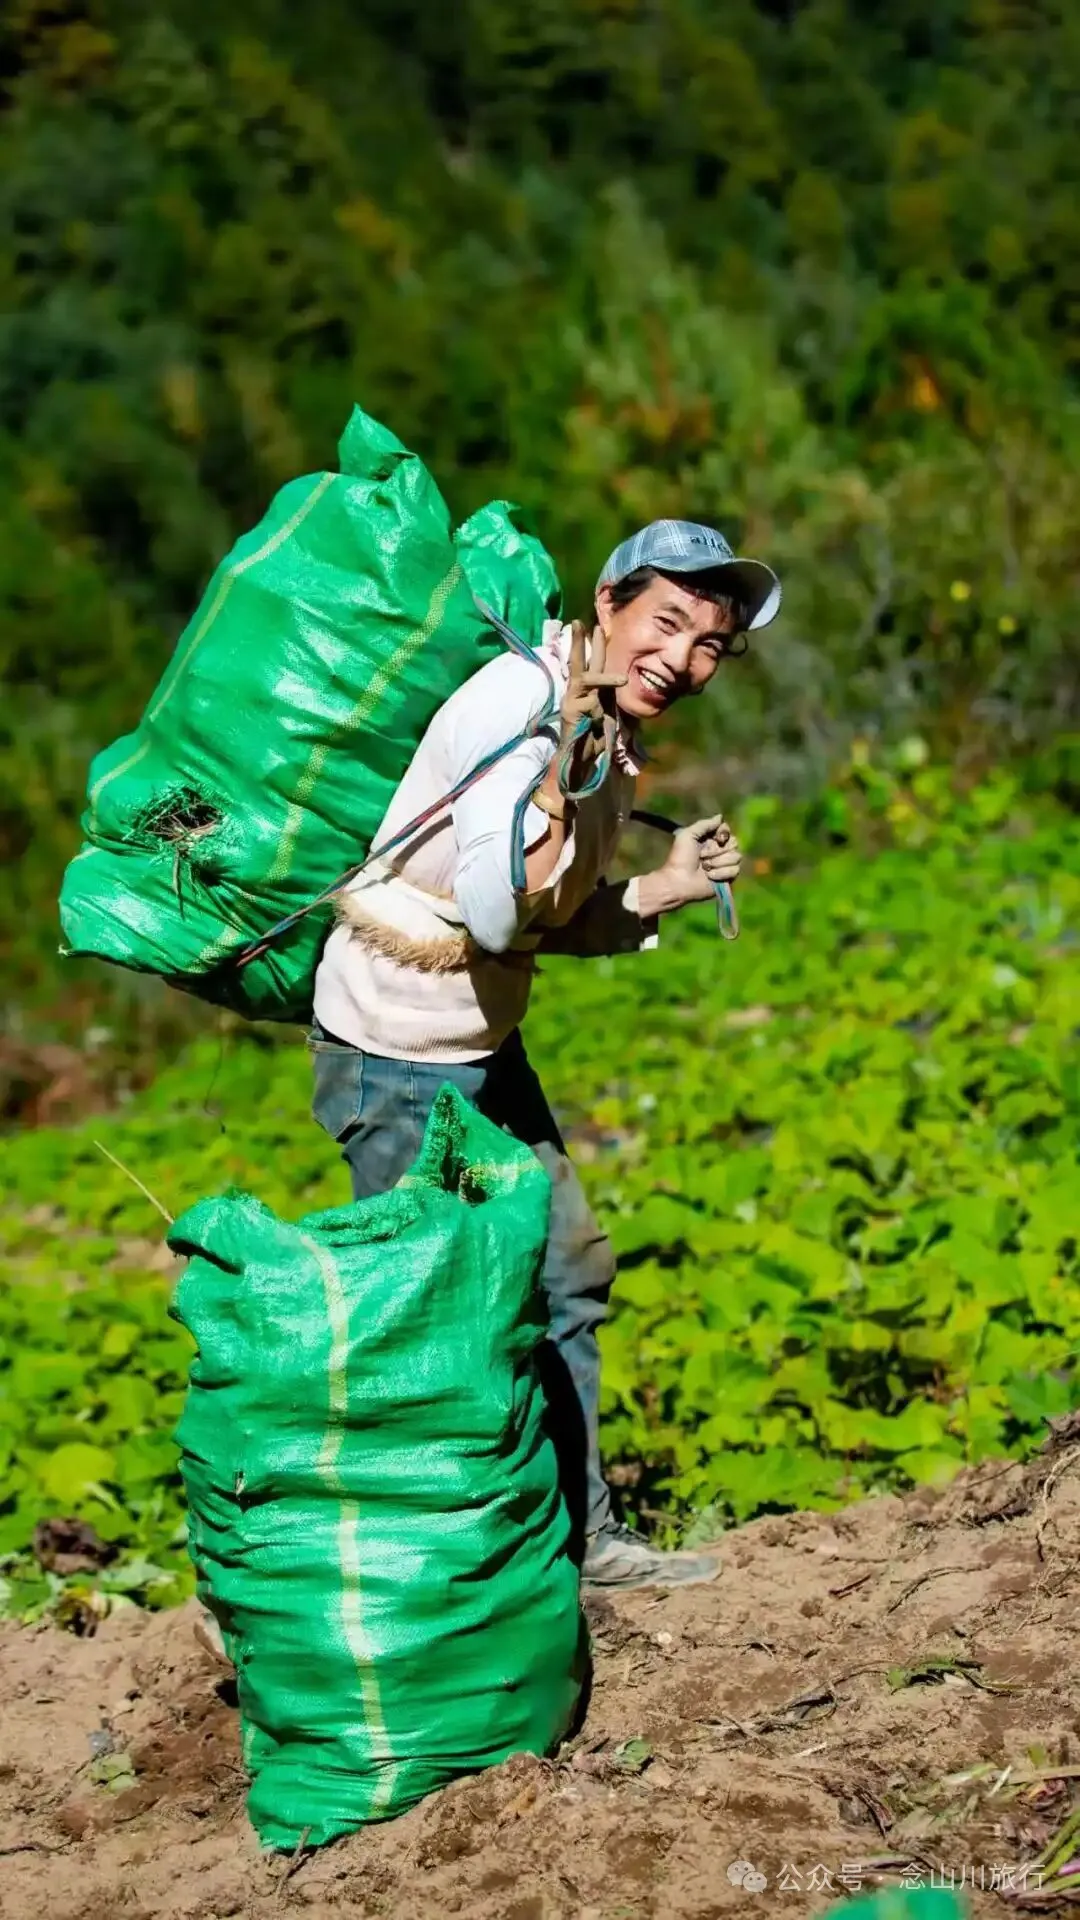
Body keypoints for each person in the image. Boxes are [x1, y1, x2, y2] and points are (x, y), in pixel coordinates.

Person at [309, 519, 782, 1590]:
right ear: (608, 601)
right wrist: (553, 775)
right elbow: (492, 913)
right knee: (438, 1316)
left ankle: (580, 1538)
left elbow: (541, 921)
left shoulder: (601, 729)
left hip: (477, 1041)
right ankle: (414, 1570)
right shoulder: (522, 708)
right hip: (393, 1053)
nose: (683, 657)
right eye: (667, 621)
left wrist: (661, 887)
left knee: (566, 1271)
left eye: (710, 643)